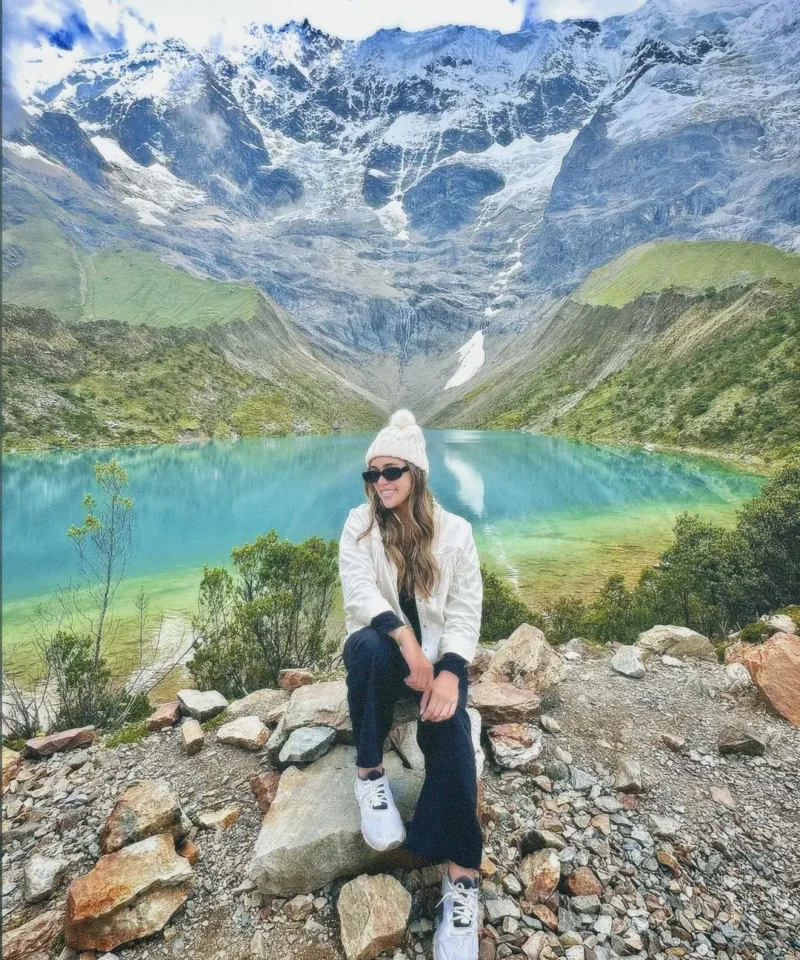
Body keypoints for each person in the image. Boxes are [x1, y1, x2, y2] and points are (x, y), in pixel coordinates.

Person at [339, 409, 484, 960]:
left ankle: (461, 877)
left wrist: (449, 672)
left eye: (391, 471)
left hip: (439, 663)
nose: (381, 482)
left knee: (451, 729)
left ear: (416, 473)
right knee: (370, 647)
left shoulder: (456, 532)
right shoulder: (359, 525)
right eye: (372, 473)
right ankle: (369, 775)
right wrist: (406, 641)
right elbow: (359, 591)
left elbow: (465, 611)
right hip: (385, 656)